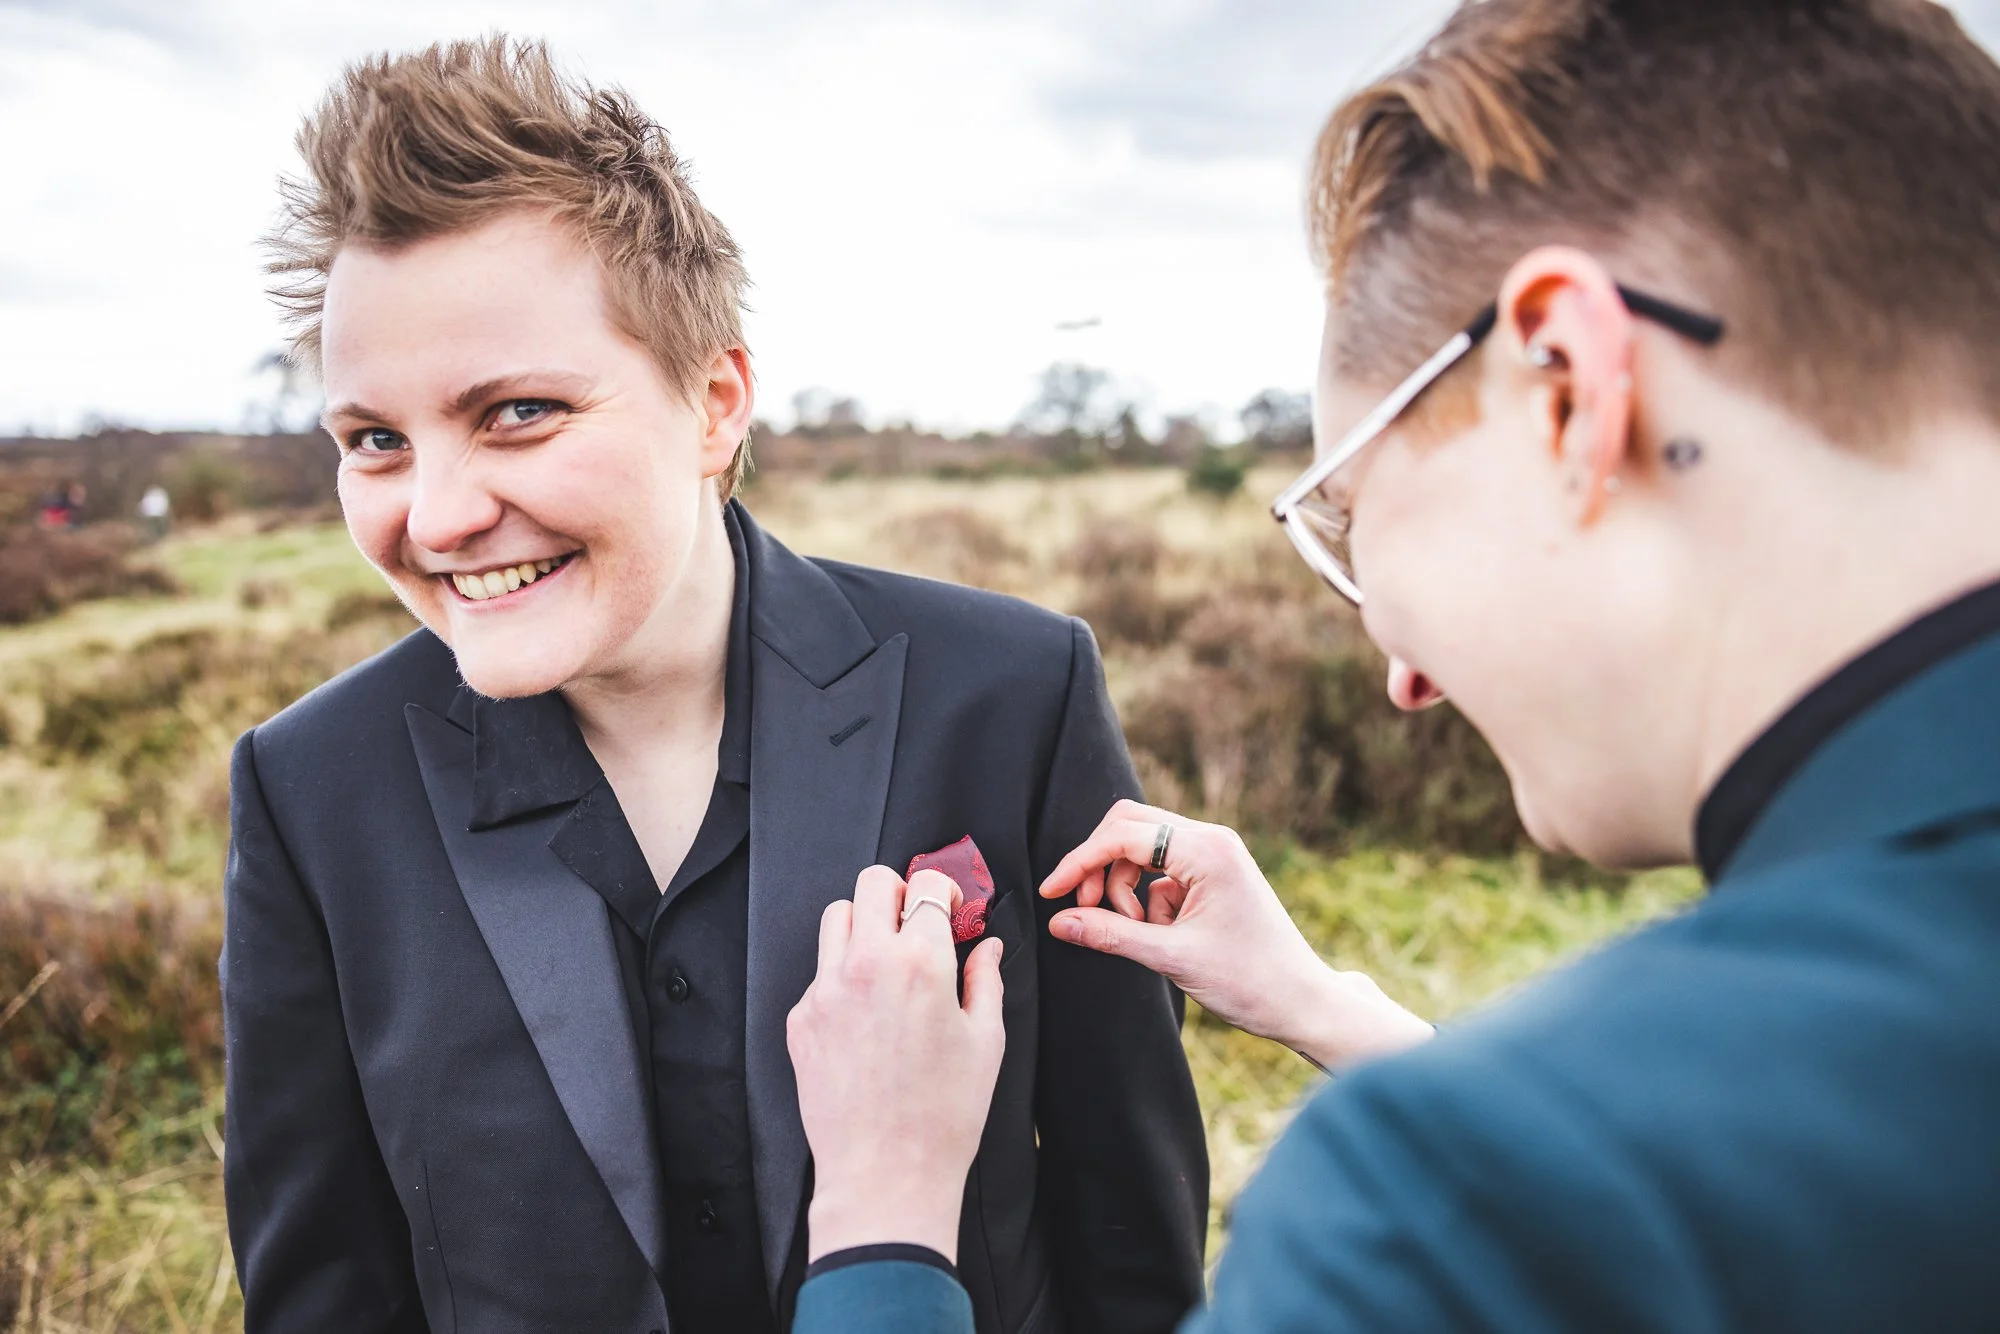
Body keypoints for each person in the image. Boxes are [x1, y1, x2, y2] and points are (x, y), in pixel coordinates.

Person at [781, 0, 2000, 1330]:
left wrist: (883, 1216)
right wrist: (1338, 1010)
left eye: (1353, 519)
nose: (1399, 676)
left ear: (1569, 384)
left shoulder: (1439, 1212)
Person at [220, 37, 1206, 1334]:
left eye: (517, 411)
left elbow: (1130, 1251)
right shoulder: (308, 792)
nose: (442, 515)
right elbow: (323, 1296)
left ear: (716, 401)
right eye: (377, 441)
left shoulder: (1015, 697)